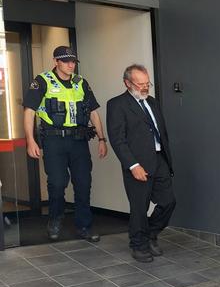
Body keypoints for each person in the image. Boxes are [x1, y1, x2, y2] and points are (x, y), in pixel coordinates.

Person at [23, 46, 107, 242]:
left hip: (78, 140)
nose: (71, 65)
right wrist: (30, 140)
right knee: (58, 183)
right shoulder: (42, 81)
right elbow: (29, 111)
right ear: (56, 62)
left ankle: (84, 226)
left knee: (84, 183)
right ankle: (55, 218)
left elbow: (93, 112)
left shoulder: (81, 83)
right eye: (66, 61)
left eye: (73, 62)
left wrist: (102, 139)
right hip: (53, 140)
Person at [106, 64, 175, 263]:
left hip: (160, 159)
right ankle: (138, 244)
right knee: (139, 207)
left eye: (147, 84)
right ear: (127, 83)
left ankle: (150, 233)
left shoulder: (152, 102)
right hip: (137, 163)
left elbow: (162, 132)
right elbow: (118, 139)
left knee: (168, 201)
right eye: (140, 84)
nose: (145, 88)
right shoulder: (117, 105)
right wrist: (133, 165)